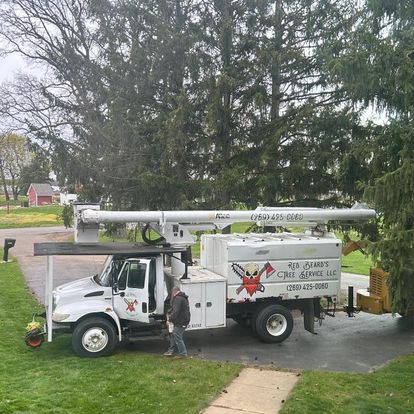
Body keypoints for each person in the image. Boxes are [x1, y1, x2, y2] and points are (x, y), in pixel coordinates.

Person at [164, 287, 191, 357]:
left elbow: (176, 311)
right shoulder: (183, 298)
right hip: (182, 320)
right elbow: (176, 309)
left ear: (174, 292)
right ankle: (171, 350)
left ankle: (183, 353)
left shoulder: (178, 298)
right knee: (173, 334)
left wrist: (169, 319)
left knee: (177, 335)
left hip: (181, 321)